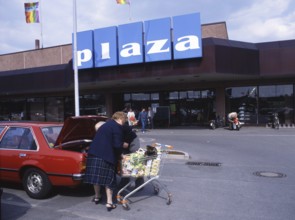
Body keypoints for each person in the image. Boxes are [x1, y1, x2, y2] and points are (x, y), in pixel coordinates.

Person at [84, 111, 128, 211]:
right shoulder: (117, 127)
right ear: (121, 119)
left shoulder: (106, 125)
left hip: (93, 153)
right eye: (125, 120)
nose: (125, 123)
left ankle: (97, 196)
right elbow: (117, 145)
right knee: (109, 179)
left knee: (97, 178)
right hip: (106, 156)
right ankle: (109, 202)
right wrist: (121, 153)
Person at [119, 124, 145, 189]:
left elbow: (126, 143)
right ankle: (125, 181)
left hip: (132, 141)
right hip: (125, 143)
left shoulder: (122, 126)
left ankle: (138, 183)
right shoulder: (114, 126)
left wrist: (125, 143)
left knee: (135, 161)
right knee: (125, 163)